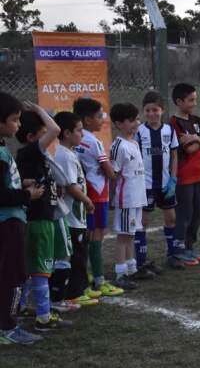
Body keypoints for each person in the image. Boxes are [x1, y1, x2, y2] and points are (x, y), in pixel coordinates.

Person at [15, 102, 71, 331]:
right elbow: (55, 130)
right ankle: (44, 317)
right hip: (39, 220)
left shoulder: (32, 155)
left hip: (36, 218)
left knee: (30, 267)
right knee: (41, 268)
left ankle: (21, 308)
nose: (48, 139)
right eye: (41, 135)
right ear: (31, 138)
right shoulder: (31, 151)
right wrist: (39, 111)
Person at [0, 93, 44, 345]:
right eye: (15, 120)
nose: (18, 125)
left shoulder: (2, 148)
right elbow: (2, 195)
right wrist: (27, 194)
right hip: (8, 222)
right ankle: (8, 326)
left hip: (12, 220)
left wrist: (20, 184)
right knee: (13, 274)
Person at [73, 97, 122, 297]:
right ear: (86, 119)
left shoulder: (77, 139)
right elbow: (110, 172)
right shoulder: (94, 142)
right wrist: (114, 170)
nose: (103, 119)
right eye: (99, 116)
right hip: (97, 193)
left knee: (87, 235)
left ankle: (87, 275)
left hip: (84, 191)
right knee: (96, 236)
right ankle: (100, 280)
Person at [49, 111, 98, 309]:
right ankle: (74, 293)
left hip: (77, 216)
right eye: (79, 131)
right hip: (71, 216)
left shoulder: (69, 153)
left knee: (81, 252)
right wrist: (86, 200)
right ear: (67, 133)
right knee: (76, 255)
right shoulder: (64, 155)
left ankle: (81, 287)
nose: (82, 135)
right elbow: (70, 186)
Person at [170, 83, 200, 266]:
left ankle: (189, 246)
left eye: (195, 99)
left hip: (198, 175)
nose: (194, 103)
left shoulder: (196, 119)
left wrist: (196, 138)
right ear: (179, 102)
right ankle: (178, 250)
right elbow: (187, 150)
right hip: (184, 176)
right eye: (190, 100)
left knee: (197, 213)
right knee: (184, 214)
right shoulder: (174, 122)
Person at [135, 90, 179, 273]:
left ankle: (172, 255)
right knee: (143, 222)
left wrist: (173, 179)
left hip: (165, 183)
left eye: (155, 110)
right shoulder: (139, 131)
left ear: (162, 110)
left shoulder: (169, 130)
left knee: (171, 218)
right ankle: (140, 260)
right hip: (146, 185)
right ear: (144, 112)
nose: (152, 114)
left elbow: (175, 154)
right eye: (148, 111)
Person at [108, 103, 147, 290]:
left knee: (131, 234)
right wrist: (110, 198)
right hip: (126, 199)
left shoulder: (134, 142)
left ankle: (132, 269)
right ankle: (120, 273)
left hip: (137, 197)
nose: (136, 123)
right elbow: (113, 175)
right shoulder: (118, 146)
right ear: (118, 124)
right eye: (131, 120)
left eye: (137, 119)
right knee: (123, 235)